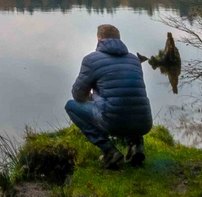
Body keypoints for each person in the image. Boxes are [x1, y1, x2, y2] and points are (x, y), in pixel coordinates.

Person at [65, 24, 153, 169]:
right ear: (119, 39)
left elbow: (78, 95)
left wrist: (92, 97)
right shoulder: (134, 60)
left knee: (71, 106)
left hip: (113, 123)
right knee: (129, 99)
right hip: (144, 122)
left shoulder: (91, 60)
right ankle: (137, 146)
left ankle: (109, 151)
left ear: (99, 39)